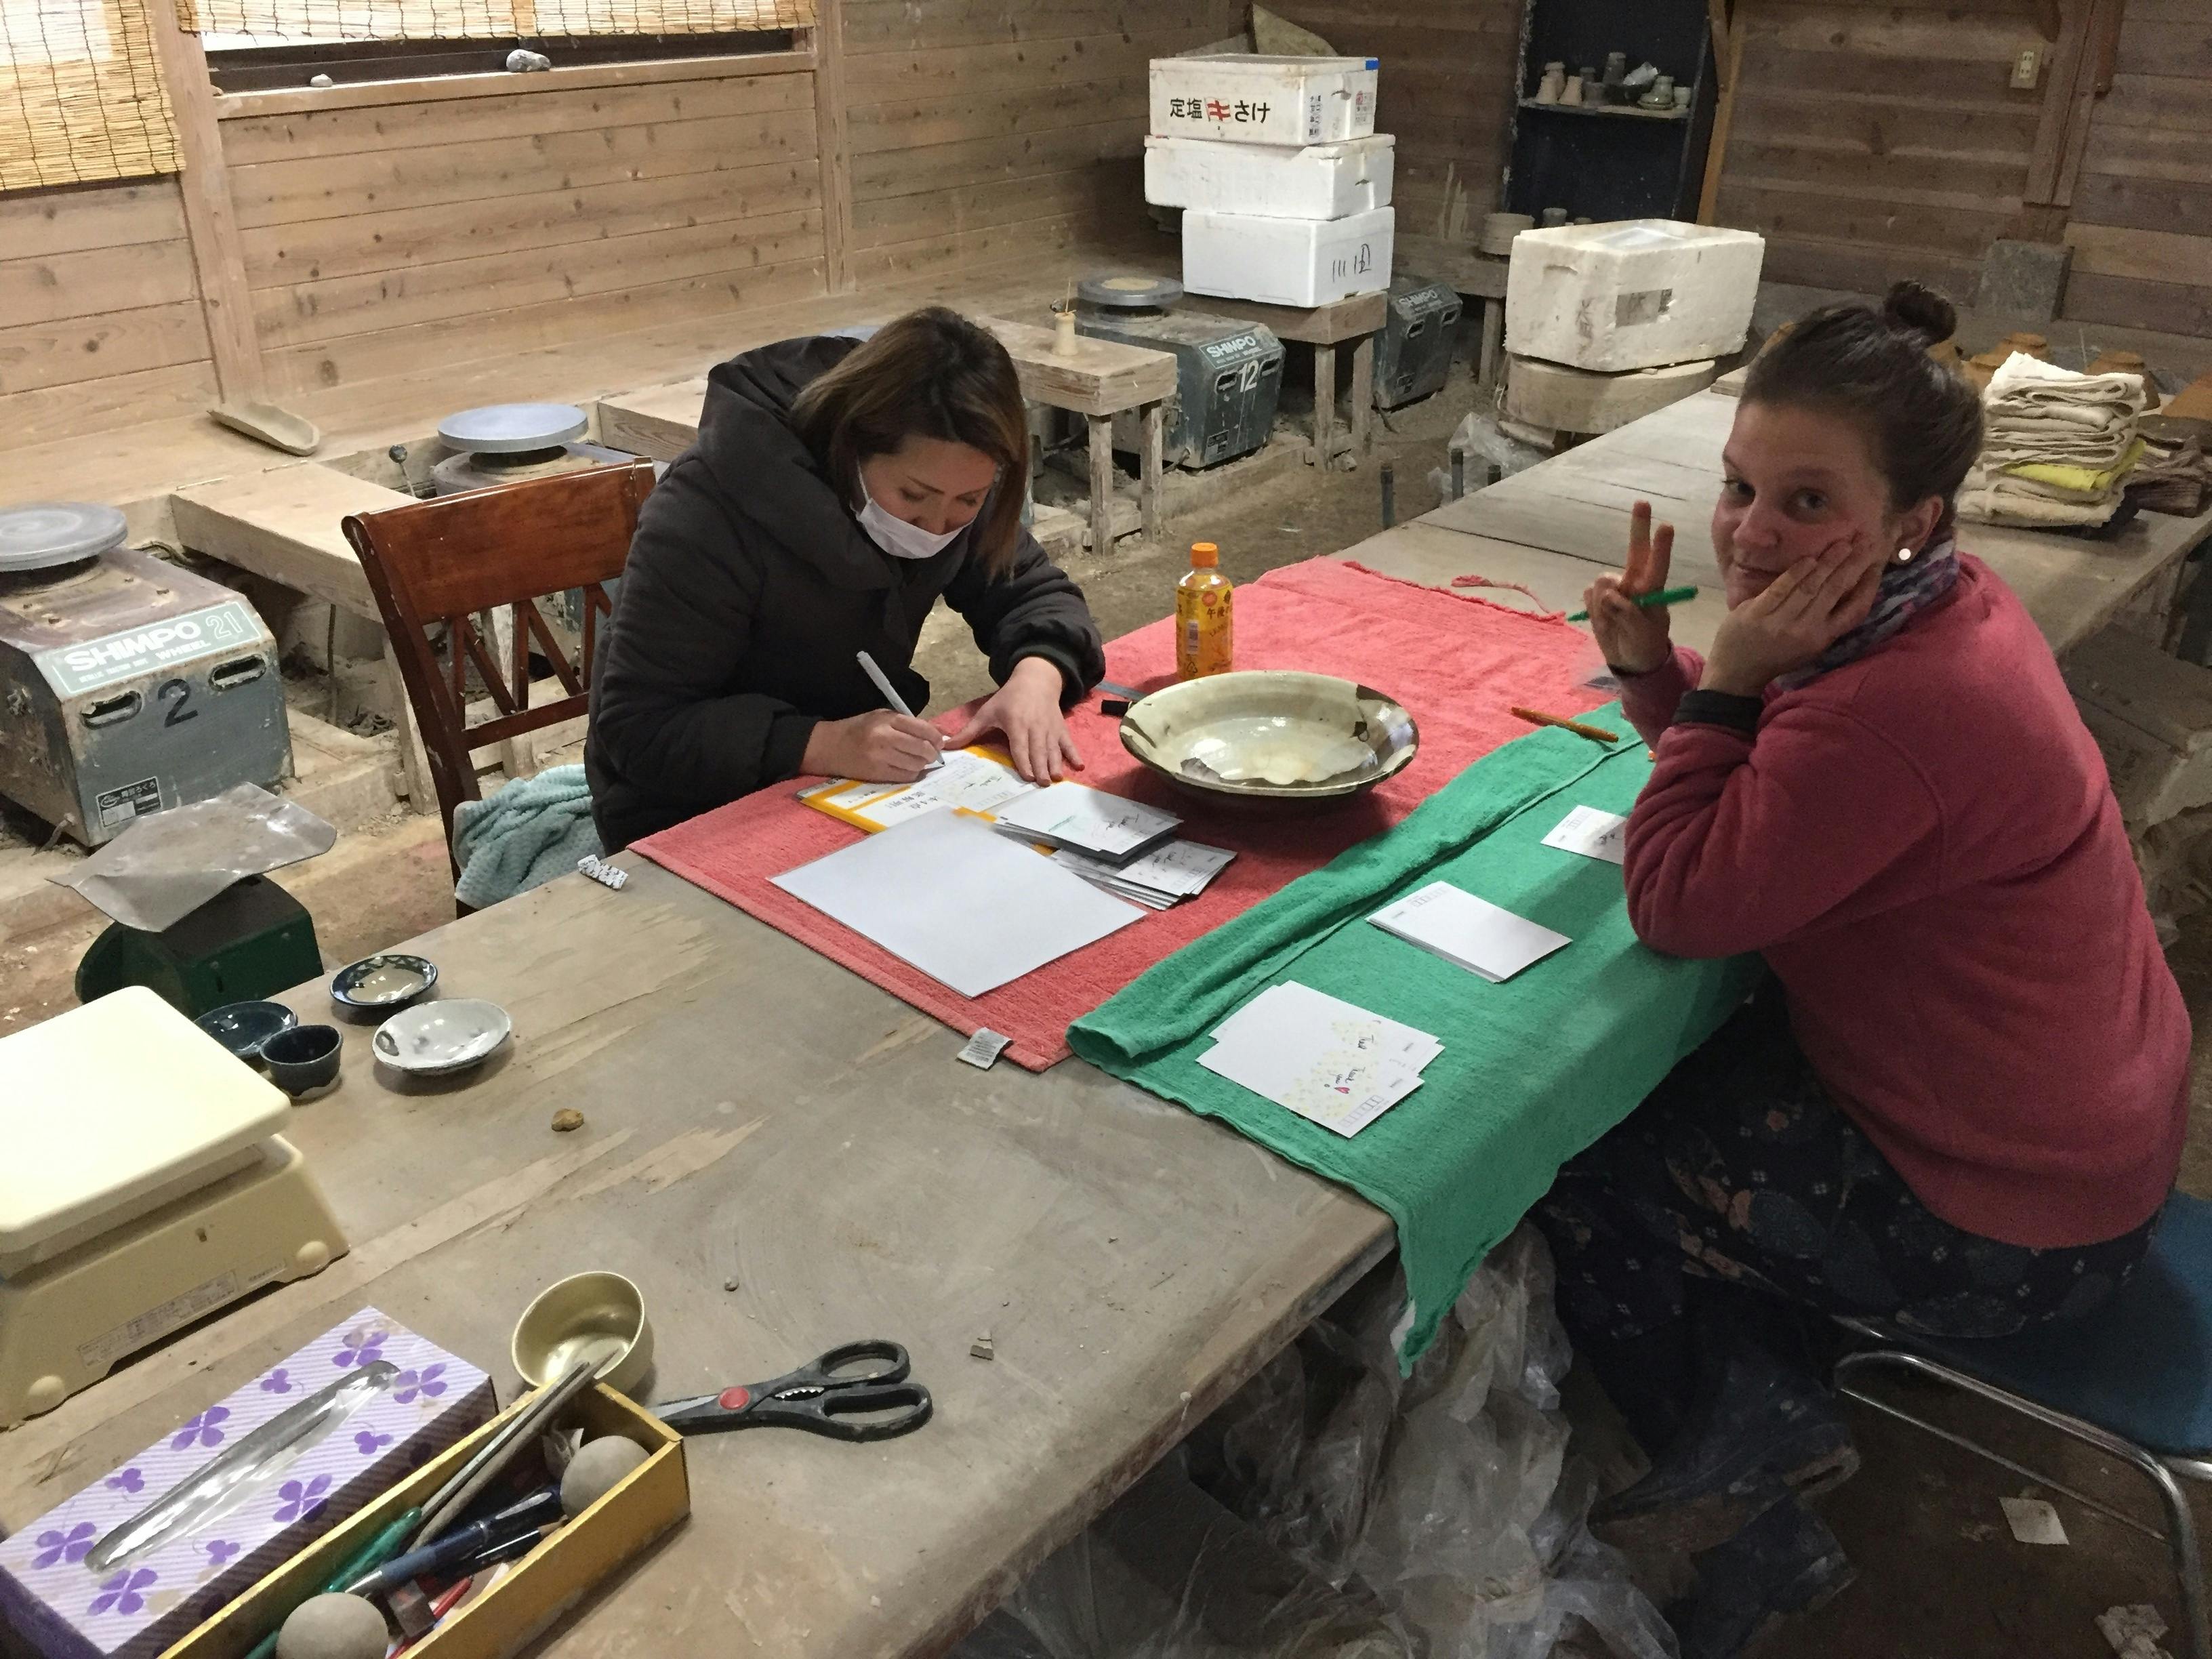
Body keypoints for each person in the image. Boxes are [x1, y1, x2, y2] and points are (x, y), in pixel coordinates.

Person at [1532, 283, 2190, 1658]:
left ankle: (1750, 1511)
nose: (1750, 532)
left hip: (2014, 1226)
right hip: (2076, 1141)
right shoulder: (1943, 609)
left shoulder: (1898, 701)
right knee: (1693, 1063)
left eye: (1807, 502)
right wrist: (1665, 675)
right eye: (1738, 486)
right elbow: (1778, 788)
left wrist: (1717, 684)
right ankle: (1776, 1380)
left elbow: (1678, 899)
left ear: (1911, 520)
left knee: (1572, 1152)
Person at [586, 307, 1106, 851]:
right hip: (686, 807)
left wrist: (1038, 676)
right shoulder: (707, 510)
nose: (936, 526)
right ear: (852, 445)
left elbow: (1034, 593)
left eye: (969, 501)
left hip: (852, 784)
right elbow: (640, 728)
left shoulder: (953, 470)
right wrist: (820, 743)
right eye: (913, 497)